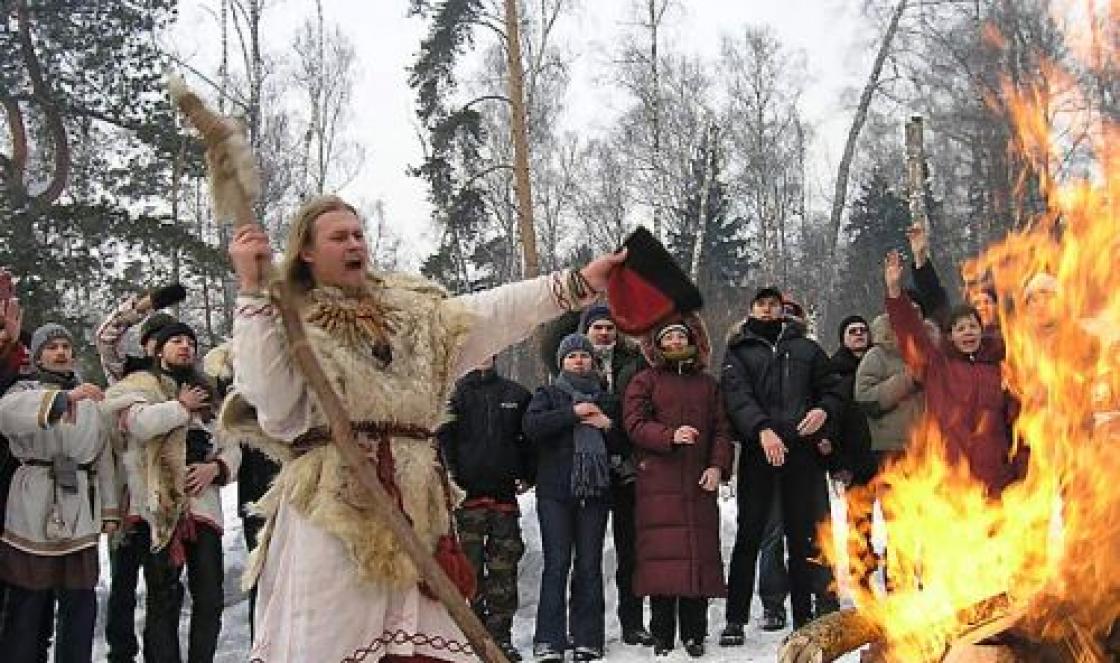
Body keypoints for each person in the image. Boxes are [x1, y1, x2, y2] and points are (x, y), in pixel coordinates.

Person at [221, 195, 624, 663]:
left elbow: (492, 312)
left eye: (358, 234)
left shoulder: (411, 315)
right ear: (306, 252)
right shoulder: (288, 319)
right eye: (338, 237)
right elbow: (271, 404)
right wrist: (252, 291)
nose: (354, 243)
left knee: (422, 644)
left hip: (415, 508)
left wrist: (575, 285)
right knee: (332, 640)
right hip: (333, 508)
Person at [105, 321, 241, 663]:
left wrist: (217, 468)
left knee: (209, 597)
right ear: (159, 348)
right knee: (162, 597)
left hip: (203, 508)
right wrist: (180, 407)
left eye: (190, 342)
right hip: (158, 506)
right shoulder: (140, 383)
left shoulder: (208, 390)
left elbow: (231, 442)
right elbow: (140, 424)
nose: (185, 347)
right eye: (176, 341)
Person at [719, 286, 844, 643]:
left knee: (802, 535)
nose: (768, 309)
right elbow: (736, 396)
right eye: (761, 304)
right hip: (760, 451)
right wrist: (761, 430)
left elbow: (834, 387)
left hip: (801, 453)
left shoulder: (807, 349)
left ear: (783, 311)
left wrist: (823, 411)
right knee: (751, 534)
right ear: (751, 309)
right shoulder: (739, 351)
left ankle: (803, 616)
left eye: (773, 304)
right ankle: (735, 618)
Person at [0, 323, 120, 663]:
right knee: (27, 599)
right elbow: (6, 416)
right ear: (38, 355)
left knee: (79, 600)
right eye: (52, 347)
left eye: (66, 346)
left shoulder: (91, 399)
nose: (61, 352)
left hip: (78, 501)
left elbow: (103, 459)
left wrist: (109, 510)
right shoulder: (21, 391)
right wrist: (63, 399)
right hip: (32, 498)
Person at [623, 316, 733, 658]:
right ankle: (662, 634)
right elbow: (635, 424)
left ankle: (694, 633)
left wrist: (717, 466)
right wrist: (670, 436)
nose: (673, 342)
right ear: (657, 344)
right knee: (661, 561)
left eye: (679, 336)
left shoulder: (707, 384)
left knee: (697, 557)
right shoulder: (645, 380)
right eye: (667, 337)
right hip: (659, 482)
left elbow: (721, 430)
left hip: (699, 482)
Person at [883, 251, 1025, 497]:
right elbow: (910, 334)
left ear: (981, 332)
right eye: (960, 328)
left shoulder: (1000, 368)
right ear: (950, 336)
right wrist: (895, 292)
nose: (968, 333)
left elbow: (1019, 424)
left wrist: (1021, 475)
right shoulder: (937, 366)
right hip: (948, 477)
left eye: (973, 327)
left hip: (996, 478)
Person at [96, 289, 180, 663]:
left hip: (166, 499)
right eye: (150, 339)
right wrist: (146, 305)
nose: (153, 347)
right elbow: (106, 336)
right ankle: (121, 653)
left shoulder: (182, 378)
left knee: (164, 585)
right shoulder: (126, 373)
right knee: (123, 583)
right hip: (129, 495)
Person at [524, 333, 617, 663]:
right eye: (572, 356)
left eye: (584, 355)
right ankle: (549, 639)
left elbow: (623, 443)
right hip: (555, 493)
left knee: (589, 566)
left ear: (594, 361)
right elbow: (532, 427)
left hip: (594, 495)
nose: (579, 360)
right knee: (557, 564)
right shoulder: (548, 394)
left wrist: (608, 426)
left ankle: (588, 638)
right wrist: (573, 414)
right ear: (561, 363)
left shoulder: (606, 399)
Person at [437, 356, 532, 661]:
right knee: (467, 570)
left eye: (490, 352)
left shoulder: (516, 394)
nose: (482, 358)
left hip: (504, 500)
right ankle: (470, 637)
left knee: (504, 571)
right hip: (467, 501)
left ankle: (501, 637)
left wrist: (528, 475)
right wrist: (450, 480)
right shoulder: (453, 397)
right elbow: (442, 442)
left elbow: (530, 441)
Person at [577, 303, 654, 647]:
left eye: (609, 327)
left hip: (627, 467)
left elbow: (643, 409)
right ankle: (584, 628)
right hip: (587, 469)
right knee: (586, 554)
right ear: (586, 331)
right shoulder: (573, 363)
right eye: (598, 328)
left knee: (630, 551)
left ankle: (633, 622)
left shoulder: (635, 362)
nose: (604, 333)